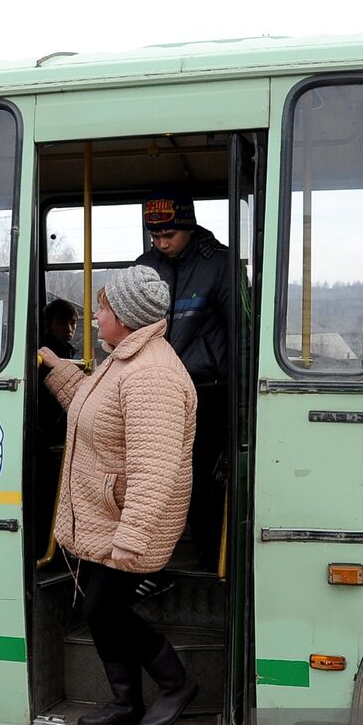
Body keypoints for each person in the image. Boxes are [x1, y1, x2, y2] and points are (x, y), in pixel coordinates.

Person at [37, 265, 199, 725]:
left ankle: (177, 684)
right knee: (99, 608)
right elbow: (90, 408)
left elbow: (155, 469)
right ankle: (125, 702)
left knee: (103, 609)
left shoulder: (153, 376)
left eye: (103, 308)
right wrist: (55, 366)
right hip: (106, 516)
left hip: (127, 520)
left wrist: (132, 535)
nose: (94, 317)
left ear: (125, 318)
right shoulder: (123, 359)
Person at [134, 188, 241, 577]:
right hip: (154, 390)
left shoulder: (222, 264)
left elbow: (241, 333)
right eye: (155, 237)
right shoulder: (145, 266)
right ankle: (150, 564)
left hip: (207, 391)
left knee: (203, 481)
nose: (162, 245)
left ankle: (210, 561)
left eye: (170, 236)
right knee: (154, 477)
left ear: (190, 229)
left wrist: (240, 400)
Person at [33, 298, 80, 536]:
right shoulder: (42, 356)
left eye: (73, 323)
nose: (69, 329)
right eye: (62, 323)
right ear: (48, 324)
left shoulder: (71, 354)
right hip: (47, 430)